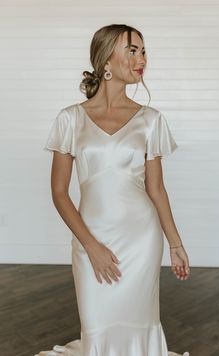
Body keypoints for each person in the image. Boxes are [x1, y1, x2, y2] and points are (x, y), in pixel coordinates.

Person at [36, 24, 190, 356]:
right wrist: (90, 245)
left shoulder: (151, 120)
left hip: (141, 239)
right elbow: (60, 193)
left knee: (138, 320)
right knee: (96, 322)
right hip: (90, 236)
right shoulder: (70, 119)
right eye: (132, 50)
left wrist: (175, 244)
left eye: (143, 51)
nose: (141, 59)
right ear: (107, 60)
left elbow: (157, 189)